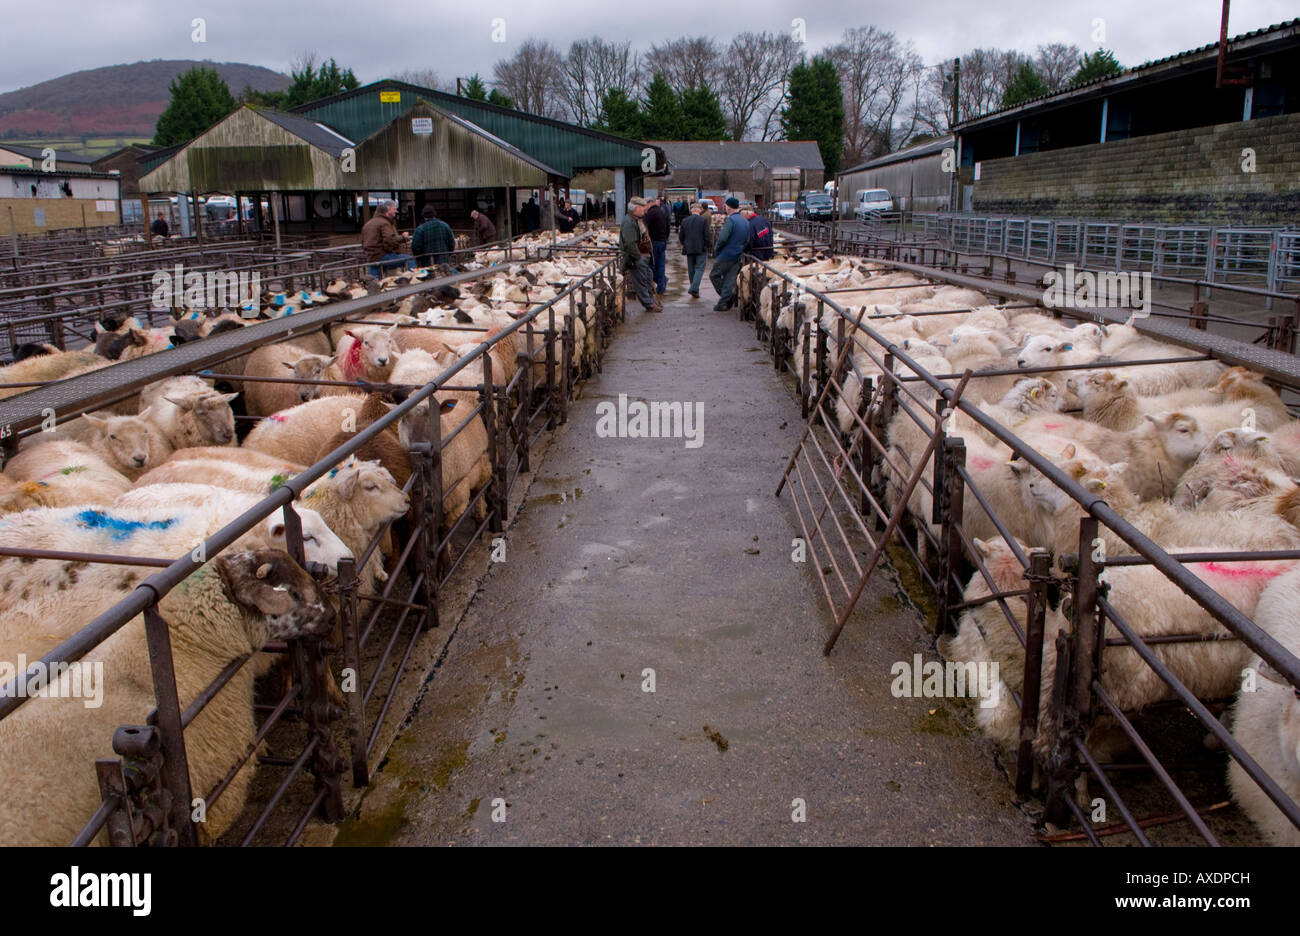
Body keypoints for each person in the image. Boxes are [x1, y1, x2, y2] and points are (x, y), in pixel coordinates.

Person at [709, 197, 751, 311]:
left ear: (728, 207)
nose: (724, 207)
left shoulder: (730, 220)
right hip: (737, 254)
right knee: (729, 279)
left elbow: (722, 238)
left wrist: (717, 249)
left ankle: (726, 298)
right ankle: (725, 300)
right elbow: (747, 239)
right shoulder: (745, 221)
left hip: (726, 254)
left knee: (714, 275)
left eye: (725, 205)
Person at [620, 197, 659, 313]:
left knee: (647, 276)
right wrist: (638, 258)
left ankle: (651, 300)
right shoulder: (630, 223)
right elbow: (630, 243)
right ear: (636, 208)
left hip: (637, 256)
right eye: (643, 208)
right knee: (640, 281)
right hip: (633, 258)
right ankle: (648, 304)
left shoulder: (634, 220)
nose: (645, 210)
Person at [361, 199, 414, 277]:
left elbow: (363, 241)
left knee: (375, 281)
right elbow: (389, 240)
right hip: (383, 256)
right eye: (394, 209)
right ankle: (414, 281)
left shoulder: (368, 224)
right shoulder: (384, 223)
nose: (396, 211)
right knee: (409, 259)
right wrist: (394, 251)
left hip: (371, 257)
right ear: (387, 210)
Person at [678, 203, 712, 299]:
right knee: (700, 268)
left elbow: (681, 236)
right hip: (701, 248)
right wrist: (708, 245)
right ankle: (693, 288)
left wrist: (685, 244)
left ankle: (695, 291)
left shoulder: (684, 221)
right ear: (699, 210)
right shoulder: (703, 221)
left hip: (689, 248)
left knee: (691, 270)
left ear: (691, 210)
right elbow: (707, 235)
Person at [644, 196, 670, 298]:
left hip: (655, 241)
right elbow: (668, 226)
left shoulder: (651, 213)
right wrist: (665, 238)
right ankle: (661, 287)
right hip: (662, 240)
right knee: (661, 265)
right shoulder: (662, 211)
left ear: (649, 203)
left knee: (651, 266)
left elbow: (644, 227)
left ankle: (662, 281)